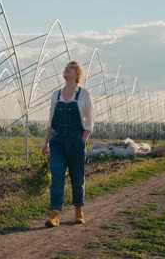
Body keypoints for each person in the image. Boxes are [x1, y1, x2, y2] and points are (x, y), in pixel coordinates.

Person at [41, 61, 93, 227]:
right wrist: (46, 142)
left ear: (77, 74)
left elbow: (90, 122)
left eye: (70, 68)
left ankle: (78, 210)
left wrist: (82, 140)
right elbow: (50, 120)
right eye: (65, 68)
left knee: (77, 178)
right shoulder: (56, 95)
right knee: (57, 177)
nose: (66, 70)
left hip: (75, 141)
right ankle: (54, 214)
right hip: (57, 142)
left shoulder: (84, 94)